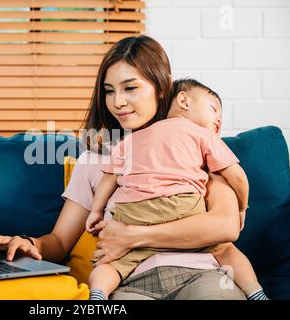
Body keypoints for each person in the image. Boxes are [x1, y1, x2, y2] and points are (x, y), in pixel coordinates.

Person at [0, 35, 248, 300]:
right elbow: (60, 243)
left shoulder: (198, 145)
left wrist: (132, 236)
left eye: (130, 88)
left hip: (202, 274)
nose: (117, 102)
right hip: (131, 281)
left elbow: (225, 226)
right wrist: (28, 243)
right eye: (109, 91)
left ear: (162, 88)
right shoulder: (95, 160)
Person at [85, 78, 269, 301]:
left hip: (133, 214)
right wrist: (242, 208)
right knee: (226, 250)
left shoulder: (132, 139)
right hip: (181, 206)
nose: (219, 121)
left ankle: (98, 294)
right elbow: (238, 177)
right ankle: (256, 292)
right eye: (214, 109)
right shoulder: (203, 135)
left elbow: (109, 179)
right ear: (184, 100)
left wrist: (96, 210)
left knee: (110, 263)